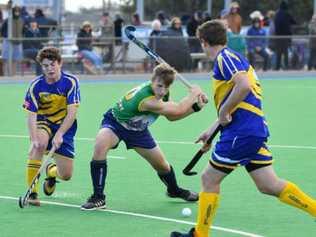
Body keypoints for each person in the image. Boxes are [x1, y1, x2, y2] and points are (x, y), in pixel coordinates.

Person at [170, 19, 316, 237]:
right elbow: (235, 100)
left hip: (242, 132)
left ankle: (200, 234)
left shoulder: (224, 58)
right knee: (269, 184)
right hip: (250, 130)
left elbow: (243, 86)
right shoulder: (236, 58)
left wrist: (222, 112)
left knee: (208, 179)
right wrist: (213, 128)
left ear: (203, 41)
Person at [81, 63, 207, 210]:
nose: (162, 91)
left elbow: (172, 117)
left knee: (162, 165)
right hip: (116, 124)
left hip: (138, 130)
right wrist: (193, 94)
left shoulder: (162, 93)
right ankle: (98, 198)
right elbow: (178, 108)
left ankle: (173, 190)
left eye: (166, 87)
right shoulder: (145, 99)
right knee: (100, 145)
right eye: (159, 86)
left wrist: (195, 107)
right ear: (152, 81)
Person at [22, 47, 80, 206]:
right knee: (38, 145)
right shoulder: (36, 85)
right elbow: (32, 115)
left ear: (60, 63)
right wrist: (33, 139)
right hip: (43, 121)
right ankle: (32, 193)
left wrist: (60, 133)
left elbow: (72, 112)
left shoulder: (70, 82)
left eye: (52, 64)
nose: (49, 69)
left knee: (66, 175)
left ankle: (51, 171)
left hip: (64, 125)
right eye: (45, 66)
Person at [274, 1, 296, 70]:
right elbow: (294, 22)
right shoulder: (287, 14)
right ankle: (286, 67)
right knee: (285, 52)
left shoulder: (277, 14)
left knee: (279, 53)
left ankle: (277, 67)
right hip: (286, 36)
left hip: (278, 37)